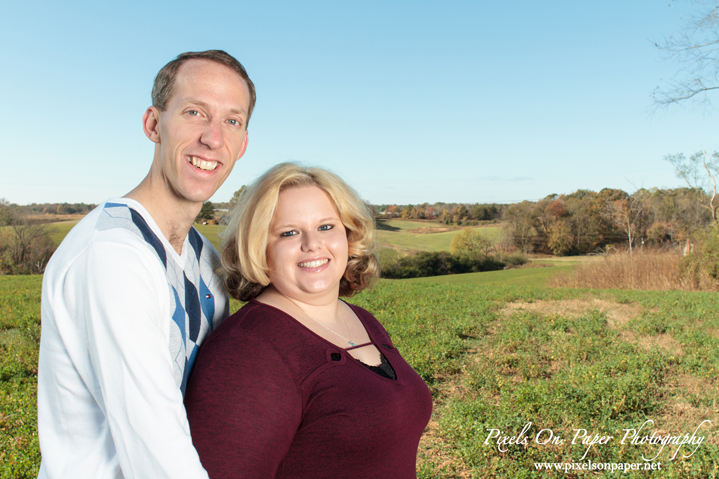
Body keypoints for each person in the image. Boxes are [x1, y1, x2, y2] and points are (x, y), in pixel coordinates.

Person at [37, 50, 256, 479]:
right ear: (154, 124)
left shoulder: (202, 256)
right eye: (195, 112)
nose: (213, 138)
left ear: (243, 143)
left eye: (232, 120)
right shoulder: (114, 254)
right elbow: (157, 456)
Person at [184, 163, 433, 479]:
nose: (312, 244)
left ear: (349, 233)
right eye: (288, 232)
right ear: (259, 248)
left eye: (326, 226)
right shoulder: (247, 353)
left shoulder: (362, 321)